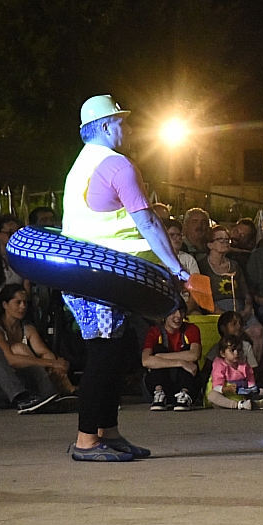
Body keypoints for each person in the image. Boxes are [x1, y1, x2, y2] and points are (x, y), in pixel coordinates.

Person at [61, 94, 192, 462]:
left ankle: (108, 431)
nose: (129, 129)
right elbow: (146, 221)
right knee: (104, 354)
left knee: (116, 351)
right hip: (101, 277)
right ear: (105, 126)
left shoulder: (81, 166)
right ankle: (87, 439)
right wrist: (176, 267)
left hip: (88, 274)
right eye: (122, 122)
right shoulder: (117, 165)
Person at [0, 284, 76, 397]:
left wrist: (56, 365)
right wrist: (52, 363)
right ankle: (54, 391)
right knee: (19, 348)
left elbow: (43, 351)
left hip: (29, 373)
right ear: (5, 305)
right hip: (4, 381)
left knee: (49, 358)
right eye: (18, 302)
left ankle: (69, 390)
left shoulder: (27, 327)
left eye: (25, 302)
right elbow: (10, 359)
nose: (23, 307)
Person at [198, 226, 263, 353]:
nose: (225, 242)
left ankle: (252, 364)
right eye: (220, 239)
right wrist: (223, 314)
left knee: (258, 331)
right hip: (217, 310)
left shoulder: (235, 265)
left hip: (239, 309)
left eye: (227, 239)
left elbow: (246, 294)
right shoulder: (202, 266)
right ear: (210, 245)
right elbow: (203, 298)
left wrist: (247, 310)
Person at [143, 302, 202, 411]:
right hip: (161, 382)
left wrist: (159, 357)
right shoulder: (154, 332)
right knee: (157, 354)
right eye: (173, 312)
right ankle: (159, 394)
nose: (178, 316)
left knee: (185, 353)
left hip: (186, 383)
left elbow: (194, 355)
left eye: (181, 311)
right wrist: (181, 362)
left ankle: (184, 394)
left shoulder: (191, 329)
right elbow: (146, 361)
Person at [208, 334, 263, 410]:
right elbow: (216, 387)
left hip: (241, 394)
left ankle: (251, 403)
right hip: (225, 394)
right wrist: (227, 389)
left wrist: (252, 389)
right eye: (232, 350)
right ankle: (239, 405)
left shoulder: (244, 365)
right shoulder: (219, 365)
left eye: (239, 350)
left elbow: (250, 379)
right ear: (222, 353)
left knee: (262, 391)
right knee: (212, 396)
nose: (236, 353)